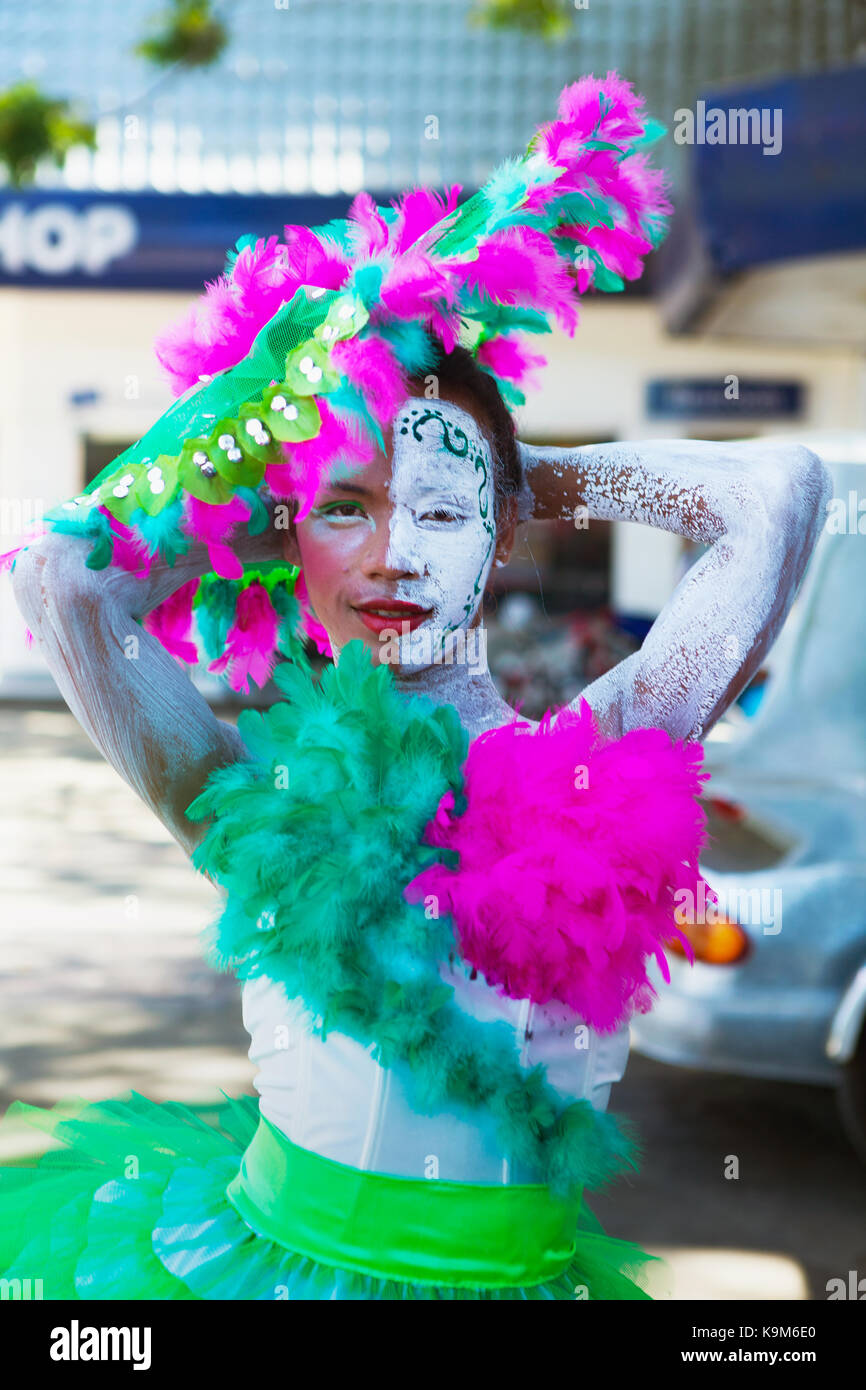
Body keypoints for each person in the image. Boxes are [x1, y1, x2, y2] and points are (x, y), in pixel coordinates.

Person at [0, 74, 830, 1301]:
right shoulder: (249, 795)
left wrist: (516, 467)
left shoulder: (600, 753)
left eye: (443, 513)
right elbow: (66, 575)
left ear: (500, 540)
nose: (393, 554)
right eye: (350, 511)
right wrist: (263, 464)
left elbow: (777, 496)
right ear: (292, 543)